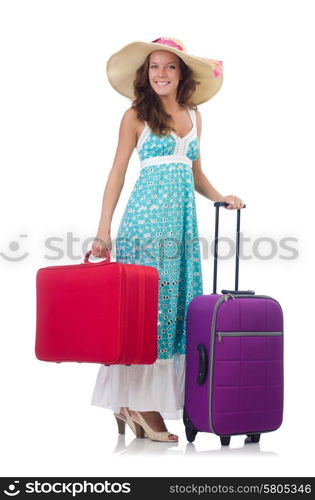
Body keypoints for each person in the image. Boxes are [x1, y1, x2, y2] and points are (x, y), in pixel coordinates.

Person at [90, 37, 245, 442]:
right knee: (148, 311)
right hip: (144, 225)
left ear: (181, 74)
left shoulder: (195, 116)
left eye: (169, 67)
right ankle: (140, 404)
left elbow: (195, 175)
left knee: (175, 311)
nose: (161, 73)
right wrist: (103, 231)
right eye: (154, 67)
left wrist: (221, 196)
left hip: (180, 228)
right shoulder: (135, 116)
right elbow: (117, 173)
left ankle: (134, 404)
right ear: (146, 74)